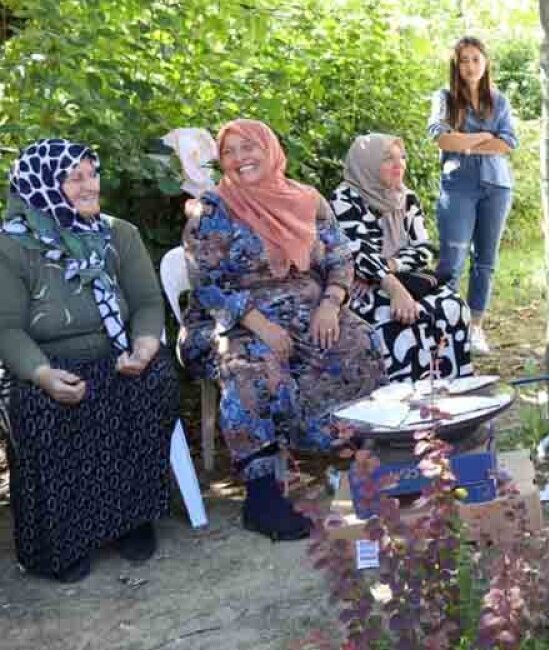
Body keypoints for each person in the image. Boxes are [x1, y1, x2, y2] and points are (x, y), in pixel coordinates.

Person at [180, 119, 386, 540]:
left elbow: (340, 259)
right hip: (233, 318)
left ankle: (353, 457)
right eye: (230, 152)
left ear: (269, 149)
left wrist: (330, 305)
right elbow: (207, 283)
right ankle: (262, 495)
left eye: (248, 148)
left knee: (358, 341)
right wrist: (259, 324)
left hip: (309, 310)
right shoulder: (213, 208)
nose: (239, 160)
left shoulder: (307, 199)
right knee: (252, 366)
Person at [0, 139, 178, 582]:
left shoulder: (119, 234)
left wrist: (143, 345)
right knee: (43, 407)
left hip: (118, 354)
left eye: (91, 174)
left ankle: (134, 518)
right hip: (48, 362)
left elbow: (146, 302)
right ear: (41, 184)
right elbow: (7, 329)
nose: (89, 185)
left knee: (153, 381)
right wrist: (42, 374)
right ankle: (64, 538)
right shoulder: (11, 247)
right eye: (74, 177)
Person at [331, 133, 473, 382]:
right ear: (368, 163)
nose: (400, 165)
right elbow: (359, 255)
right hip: (360, 288)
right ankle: (402, 404)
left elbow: (423, 249)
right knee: (393, 321)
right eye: (388, 159)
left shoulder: (406, 197)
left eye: (402, 157)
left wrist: (391, 265)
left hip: (400, 278)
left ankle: (451, 390)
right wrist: (393, 287)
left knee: (452, 306)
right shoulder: (344, 199)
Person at [428, 36, 519, 356]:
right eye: (463, 60)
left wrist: (464, 141)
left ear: (485, 62)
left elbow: (507, 144)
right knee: (452, 259)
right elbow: (441, 140)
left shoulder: (499, 100)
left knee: (486, 262)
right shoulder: (444, 98)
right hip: (458, 186)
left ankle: (475, 328)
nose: (469, 65)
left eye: (475, 59)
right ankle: (444, 328)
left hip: (497, 187)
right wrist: (482, 136)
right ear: (456, 64)